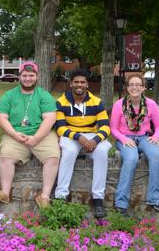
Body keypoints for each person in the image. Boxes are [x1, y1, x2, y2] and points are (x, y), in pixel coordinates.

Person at [0, 61, 60, 208]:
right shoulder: (9, 95)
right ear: (19, 76)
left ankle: (45, 196)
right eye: (25, 75)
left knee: (53, 157)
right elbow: (1, 118)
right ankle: (5, 192)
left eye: (31, 75)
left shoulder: (44, 95)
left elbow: (50, 119)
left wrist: (36, 138)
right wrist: (15, 135)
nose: (28, 78)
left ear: (37, 76)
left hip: (42, 134)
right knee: (6, 155)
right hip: (16, 134)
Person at [54, 69, 111, 218]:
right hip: (71, 135)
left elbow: (105, 126)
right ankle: (61, 196)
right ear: (71, 83)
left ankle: (98, 199)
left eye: (83, 82)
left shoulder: (97, 102)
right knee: (69, 152)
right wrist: (79, 137)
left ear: (87, 85)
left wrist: (95, 140)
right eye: (76, 82)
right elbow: (60, 128)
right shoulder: (61, 102)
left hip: (92, 135)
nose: (79, 85)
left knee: (102, 152)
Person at [110, 74, 159, 216]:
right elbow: (113, 129)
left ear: (143, 88)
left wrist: (155, 137)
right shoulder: (119, 105)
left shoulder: (151, 104)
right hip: (125, 138)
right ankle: (121, 203)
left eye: (138, 84)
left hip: (144, 137)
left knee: (156, 155)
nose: (134, 87)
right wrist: (123, 139)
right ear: (127, 88)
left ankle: (156, 199)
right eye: (131, 85)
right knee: (131, 158)